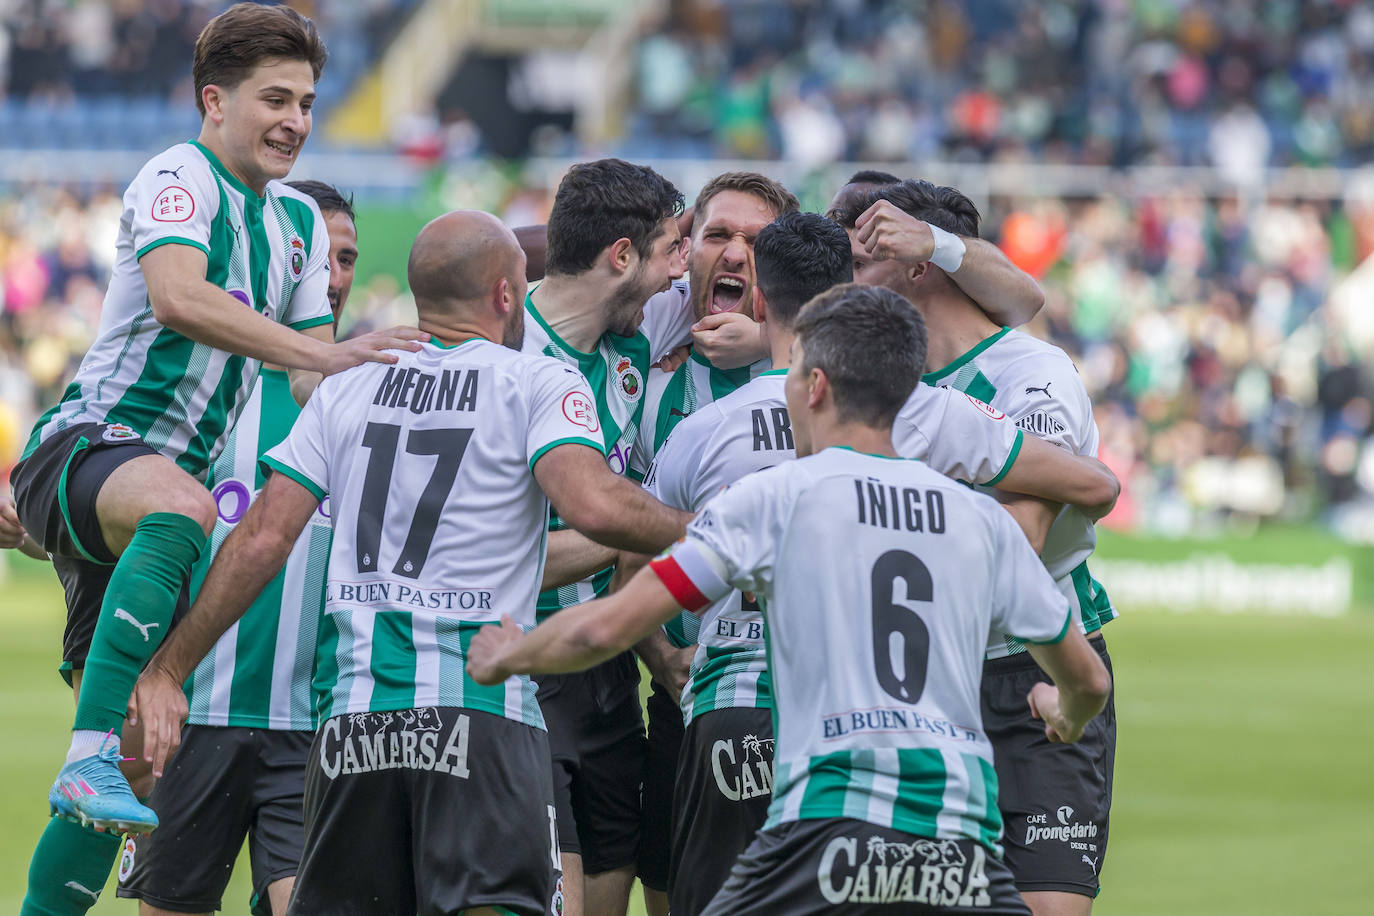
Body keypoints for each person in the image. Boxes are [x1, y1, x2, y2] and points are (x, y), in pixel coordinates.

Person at [467, 282, 1113, 915]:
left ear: (816, 387)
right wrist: (1065, 710)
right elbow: (1087, 678)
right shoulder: (982, 522)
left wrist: (508, 654)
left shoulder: (776, 500)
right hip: (960, 853)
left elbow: (604, 629)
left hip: (823, 839)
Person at [127, 210, 694, 916]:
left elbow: (263, 537)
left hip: (356, 726)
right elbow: (594, 504)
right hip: (480, 717)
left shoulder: (349, 387)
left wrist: (169, 668)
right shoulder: (535, 382)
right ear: (506, 294)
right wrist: (701, 527)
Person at [8, 6, 423, 914]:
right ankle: (85, 762)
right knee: (187, 506)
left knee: (139, 773)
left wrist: (425, 370)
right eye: (275, 98)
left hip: (152, 520)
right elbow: (179, 297)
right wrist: (326, 354)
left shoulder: (301, 229)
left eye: (309, 102)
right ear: (213, 101)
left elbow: (317, 385)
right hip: (85, 446)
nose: (297, 121)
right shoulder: (175, 176)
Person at [645, 211, 1120, 914]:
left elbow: (624, 592)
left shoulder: (1008, 379)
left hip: (980, 676)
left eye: (868, 259)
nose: (855, 276)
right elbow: (1093, 483)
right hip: (912, 699)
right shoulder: (912, 404)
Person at [834, 181, 1120, 916]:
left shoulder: (1032, 373)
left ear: (917, 266)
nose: (845, 277)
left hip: (1033, 673)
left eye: (863, 258)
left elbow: (1018, 538)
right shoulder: (883, 388)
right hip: (924, 676)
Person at [115, 180, 358, 916]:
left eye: (345, 259)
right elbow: (114, 518)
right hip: (190, 721)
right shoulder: (203, 386)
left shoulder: (360, 395)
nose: (335, 277)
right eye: (319, 259)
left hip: (314, 727)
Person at [520, 158, 694, 916]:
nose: (677, 274)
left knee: (607, 899)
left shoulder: (630, 335)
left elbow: (781, 283)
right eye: (668, 253)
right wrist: (633, 531)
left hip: (610, 672)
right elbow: (507, 559)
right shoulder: (503, 354)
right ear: (621, 256)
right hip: (525, 670)